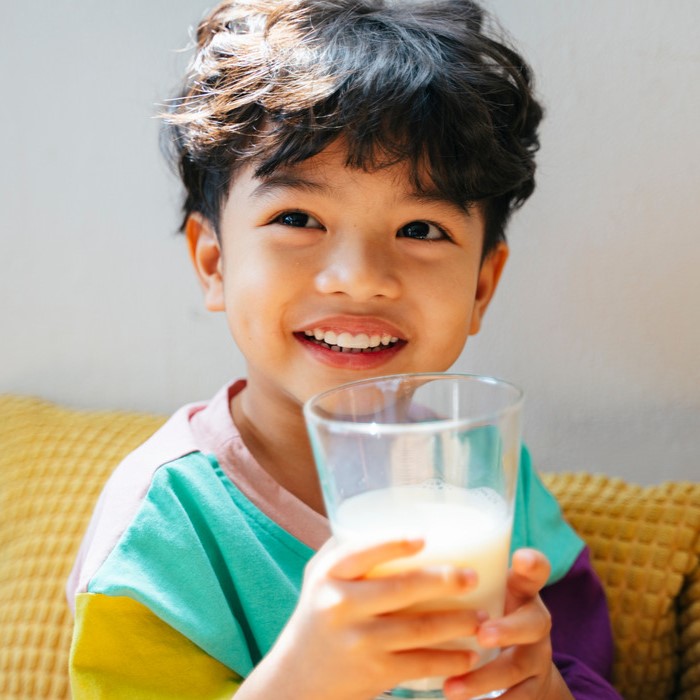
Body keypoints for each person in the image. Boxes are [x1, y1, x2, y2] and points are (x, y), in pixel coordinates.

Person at [66, 1, 622, 698]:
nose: (359, 278)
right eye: (298, 218)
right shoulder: (164, 528)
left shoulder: (484, 473)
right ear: (214, 263)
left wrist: (541, 687)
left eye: (421, 229)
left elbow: (587, 671)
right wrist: (301, 680)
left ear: (482, 286)